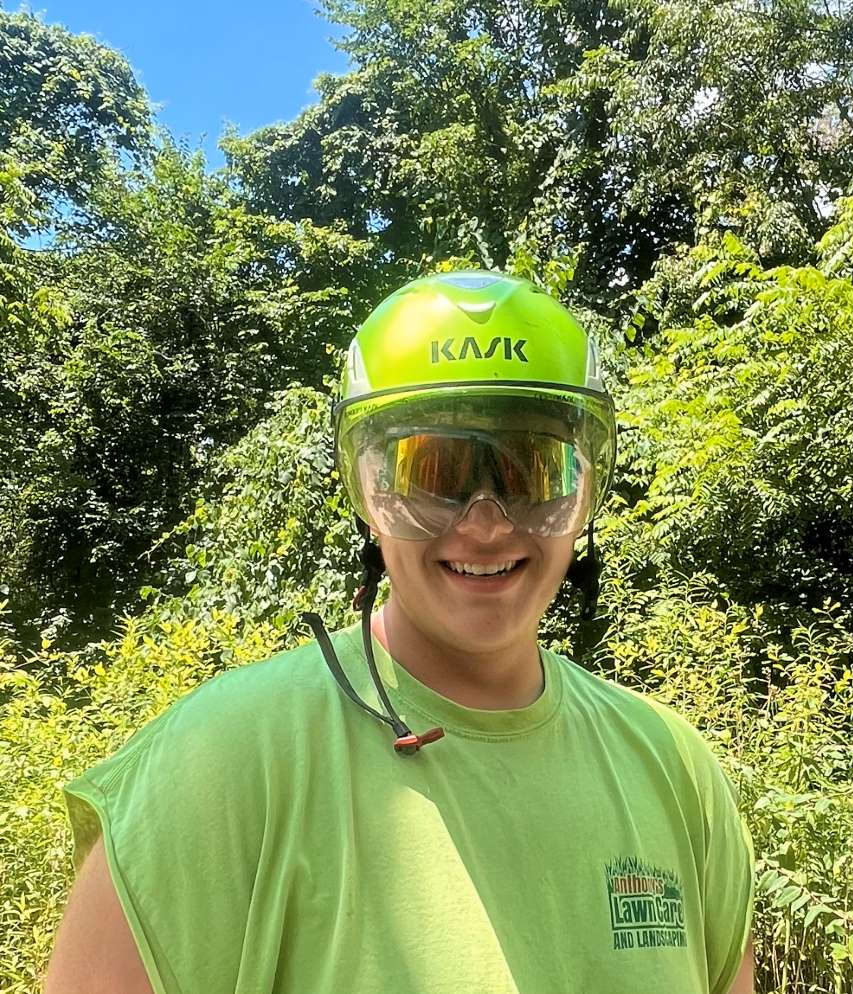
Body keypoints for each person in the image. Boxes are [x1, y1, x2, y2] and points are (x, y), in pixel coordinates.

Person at [45, 271, 755, 994]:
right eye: (437, 472)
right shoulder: (214, 767)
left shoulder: (674, 768)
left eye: (530, 470)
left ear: (582, 491)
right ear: (371, 494)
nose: (485, 523)